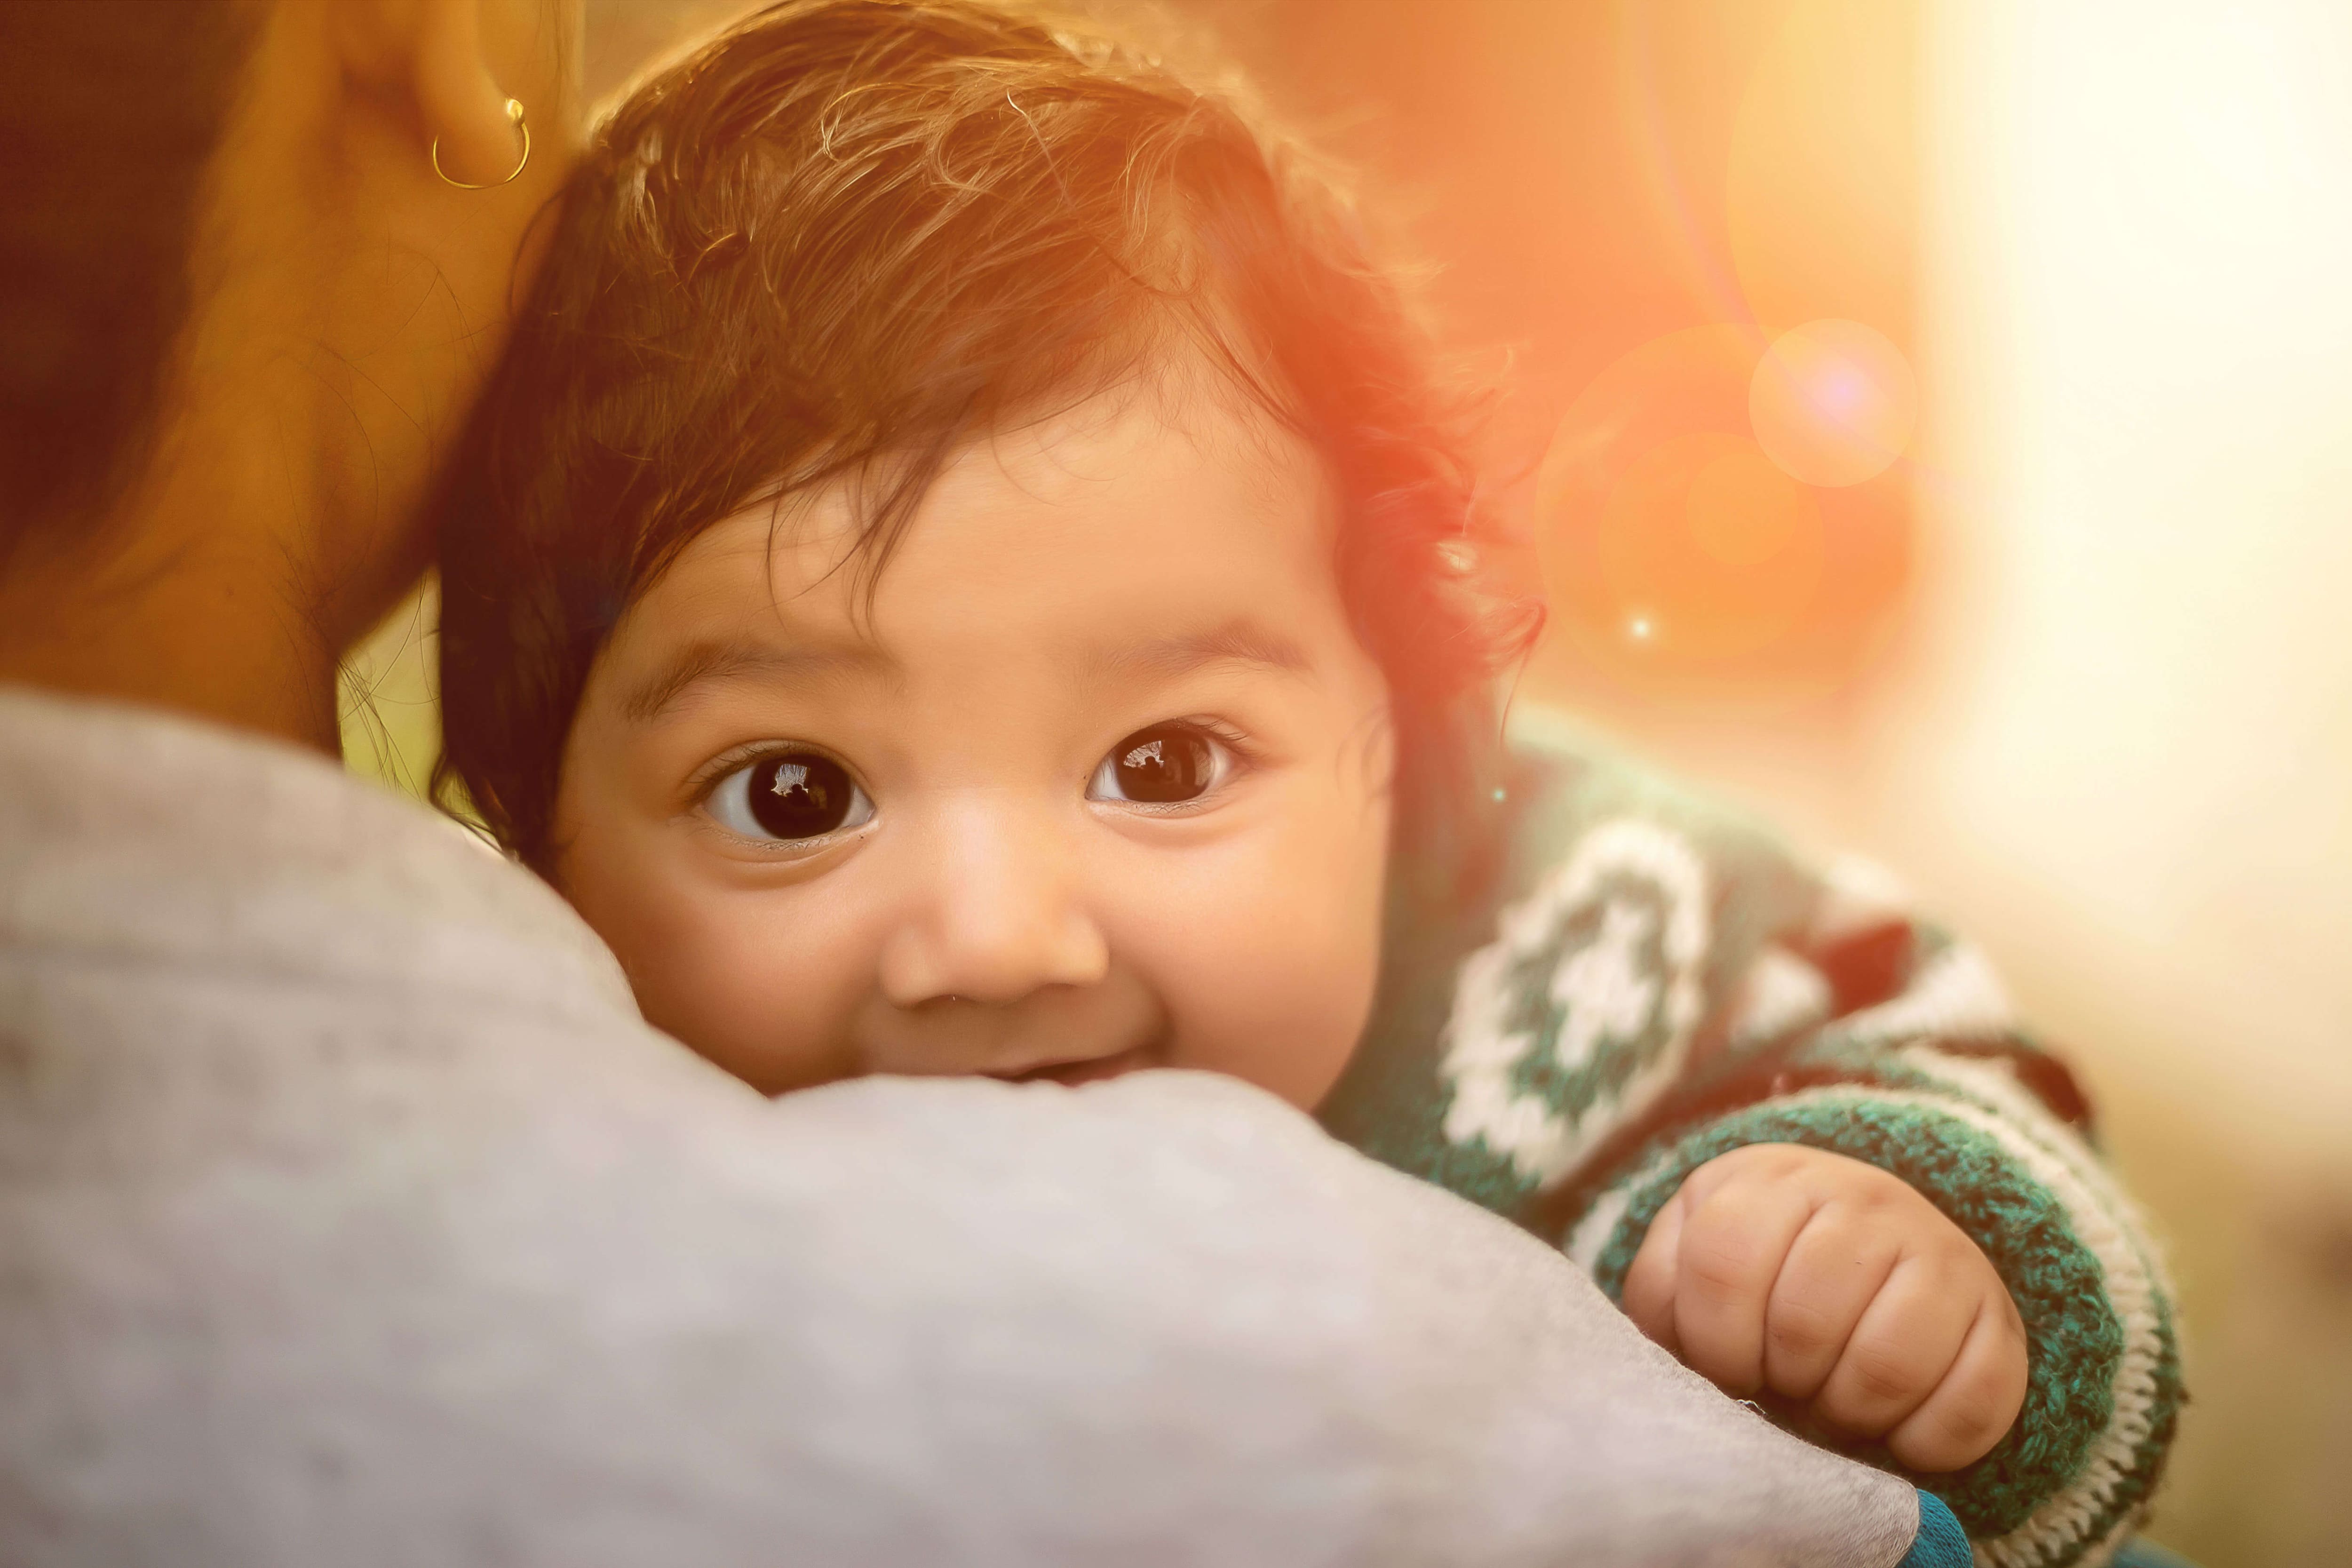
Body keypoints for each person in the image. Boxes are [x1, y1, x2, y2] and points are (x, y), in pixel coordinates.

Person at [0, 1, 1968, 1564]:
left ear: (1402, 725)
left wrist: (1915, 1267)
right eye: (790, 797)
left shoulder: (1575, 914)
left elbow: (1933, 1077)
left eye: (1166, 763)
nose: (996, 940)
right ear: (530, 832)